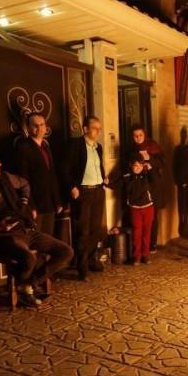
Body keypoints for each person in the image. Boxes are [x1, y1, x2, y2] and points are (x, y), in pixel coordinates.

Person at [0, 149, 73, 306]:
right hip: (1, 237)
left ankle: (27, 285)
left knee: (66, 251)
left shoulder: (4, 178)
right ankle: (26, 289)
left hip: (24, 229)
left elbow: (25, 184)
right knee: (29, 258)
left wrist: (23, 203)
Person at [66, 116, 108, 281]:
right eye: (95, 128)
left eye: (99, 128)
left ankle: (91, 259)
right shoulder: (75, 145)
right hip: (83, 192)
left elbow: (98, 166)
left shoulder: (98, 147)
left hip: (98, 191)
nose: (98, 131)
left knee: (95, 229)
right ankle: (82, 267)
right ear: (85, 129)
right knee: (83, 231)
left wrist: (103, 179)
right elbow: (65, 168)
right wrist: (72, 187)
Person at [14, 112, 62, 236]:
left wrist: (57, 201)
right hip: (35, 204)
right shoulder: (23, 147)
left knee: (48, 239)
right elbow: (23, 179)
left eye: (42, 124)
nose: (39, 128)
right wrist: (31, 206)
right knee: (36, 241)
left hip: (49, 203)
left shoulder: (46, 146)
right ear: (28, 128)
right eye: (35, 125)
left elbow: (52, 175)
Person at [129, 125, 166, 253]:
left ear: (145, 135)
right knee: (139, 220)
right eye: (135, 136)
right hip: (139, 187)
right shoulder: (132, 149)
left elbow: (163, 162)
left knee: (152, 216)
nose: (138, 138)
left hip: (153, 185)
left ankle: (152, 244)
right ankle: (140, 247)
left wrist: (150, 160)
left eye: (140, 135)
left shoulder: (153, 146)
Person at [124, 153, 154, 266]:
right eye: (136, 165)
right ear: (131, 165)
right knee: (137, 233)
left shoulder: (147, 175)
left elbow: (156, 180)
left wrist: (150, 169)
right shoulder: (128, 177)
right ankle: (136, 256)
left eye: (140, 165)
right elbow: (119, 184)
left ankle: (145, 255)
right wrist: (106, 183)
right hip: (135, 209)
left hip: (148, 207)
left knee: (147, 232)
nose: (138, 168)